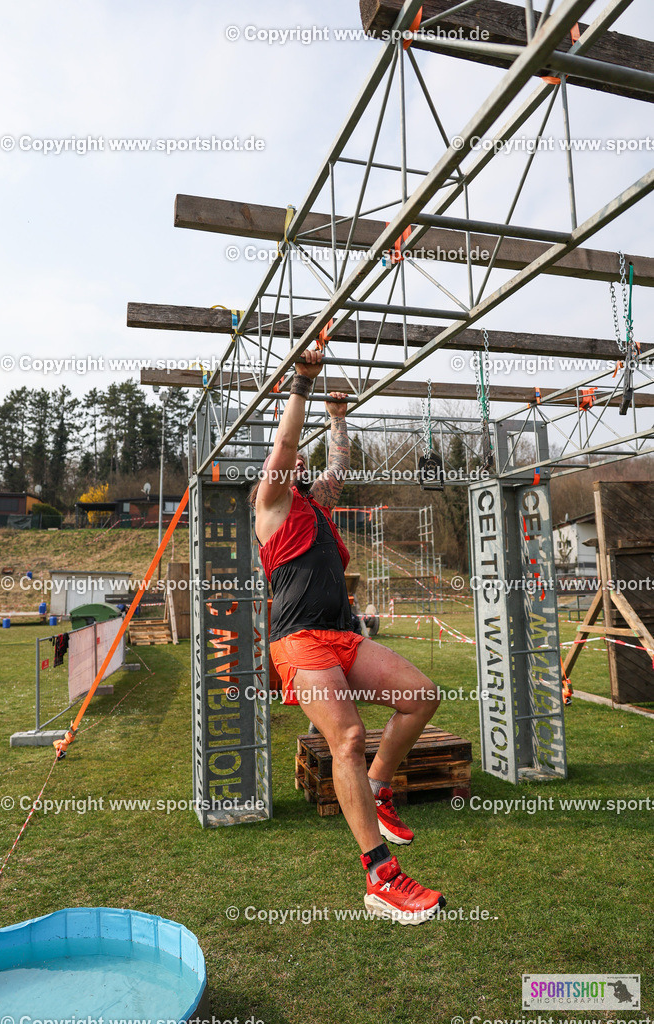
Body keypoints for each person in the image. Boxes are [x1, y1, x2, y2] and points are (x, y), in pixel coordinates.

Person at [250, 347, 446, 924]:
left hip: (341, 635)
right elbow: (286, 444)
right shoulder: (272, 504)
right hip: (299, 640)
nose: (298, 464)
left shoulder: (318, 506)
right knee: (348, 738)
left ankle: (378, 787)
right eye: (289, 462)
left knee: (421, 696)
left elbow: (338, 461)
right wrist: (302, 383)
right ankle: (380, 877)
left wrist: (338, 418)